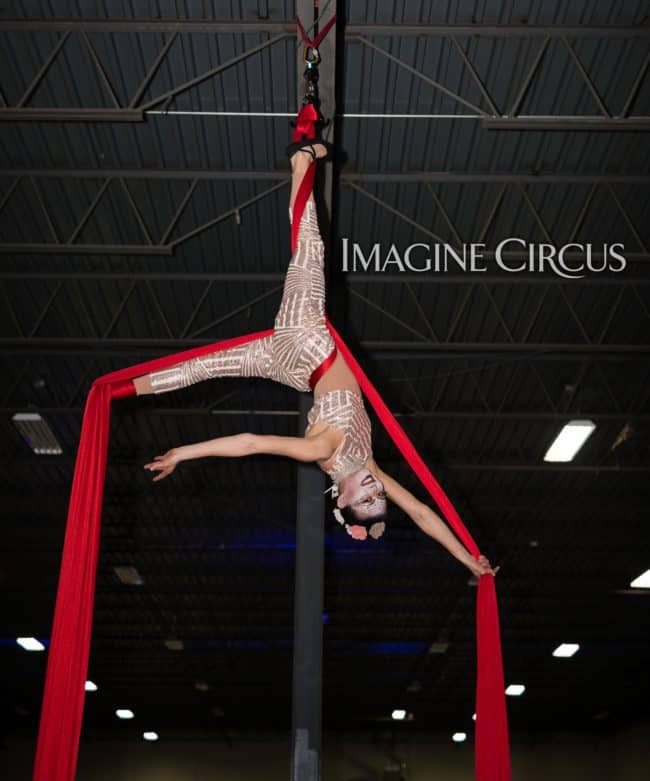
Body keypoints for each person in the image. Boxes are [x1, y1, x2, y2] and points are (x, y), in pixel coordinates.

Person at [133, 140, 498, 579]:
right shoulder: (367, 465)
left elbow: (250, 442)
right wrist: (468, 562)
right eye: (378, 496)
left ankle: (300, 159)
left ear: (340, 500)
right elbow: (421, 511)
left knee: (309, 249)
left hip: (306, 343)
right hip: (291, 370)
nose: (374, 490)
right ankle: (127, 388)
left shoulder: (323, 450)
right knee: (205, 368)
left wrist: (184, 454)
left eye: (364, 499)